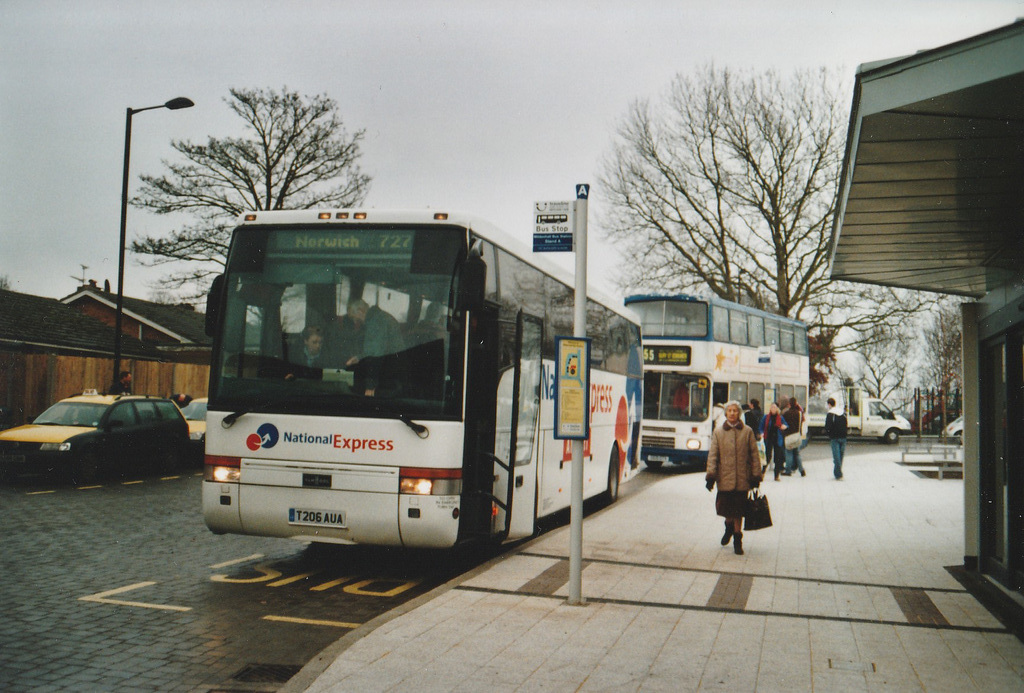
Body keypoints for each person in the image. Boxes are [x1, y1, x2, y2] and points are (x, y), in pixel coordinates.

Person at [705, 400, 762, 555]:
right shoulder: (718, 432)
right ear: (725, 413)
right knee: (726, 510)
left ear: (739, 413)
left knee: (738, 511)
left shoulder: (747, 431)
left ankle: (738, 539)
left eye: (735, 411)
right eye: (729, 411)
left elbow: (754, 456)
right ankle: (729, 528)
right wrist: (711, 476)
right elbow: (713, 456)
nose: (732, 413)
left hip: (742, 479)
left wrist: (756, 476)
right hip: (724, 479)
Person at [759, 401, 788, 481]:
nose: (773, 409)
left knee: (777, 458)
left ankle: (776, 475)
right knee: (767, 457)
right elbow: (761, 427)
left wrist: (784, 426)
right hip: (768, 439)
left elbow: (786, 425)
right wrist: (761, 433)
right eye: (772, 407)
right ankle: (762, 473)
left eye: (774, 407)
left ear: (777, 409)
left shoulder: (780, 418)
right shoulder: (766, 417)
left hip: (778, 440)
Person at [825, 397, 848, 480]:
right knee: (840, 456)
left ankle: (838, 474)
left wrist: (829, 434)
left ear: (829, 404)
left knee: (836, 457)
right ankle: (838, 473)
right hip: (843, 437)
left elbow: (827, 426)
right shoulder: (842, 413)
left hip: (834, 438)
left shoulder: (830, 414)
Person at [782, 397, 805, 477]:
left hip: (789, 435)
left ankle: (788, 470)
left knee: (789, 453)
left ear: (789, 404)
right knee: (797, 453)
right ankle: (802, 470)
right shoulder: (799, 413)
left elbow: (783, 424)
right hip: (797, 435)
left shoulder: (786, 413)